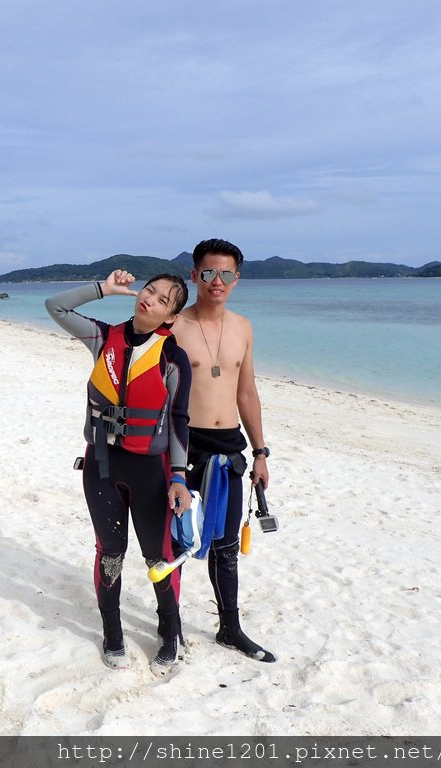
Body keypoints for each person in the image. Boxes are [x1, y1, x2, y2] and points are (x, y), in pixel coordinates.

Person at [46, 269, 193, 675]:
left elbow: (179, 420)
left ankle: (169, 629)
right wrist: (103, 289)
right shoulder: (101, 337)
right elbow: (54, 306)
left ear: (170, 318)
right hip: (102, 465)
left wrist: (179, 477)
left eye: (165, 299)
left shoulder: (173, 358)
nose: (152, 298)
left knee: (159, 557)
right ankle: (113, 632)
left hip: (152, 470)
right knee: (110, 552)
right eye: (151, 290)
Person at [171, 238, 276, 663]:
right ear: (195, 275)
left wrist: (261, 452)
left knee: (226, 544)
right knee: (173, 539)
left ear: (237, 279)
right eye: (209, 273)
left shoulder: (243, 327)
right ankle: (169, 622)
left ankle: (229, 628)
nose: (218, 281)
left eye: (227, 274)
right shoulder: (173, 326)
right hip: (182, 444)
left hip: (229, 445)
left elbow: (247, 391)